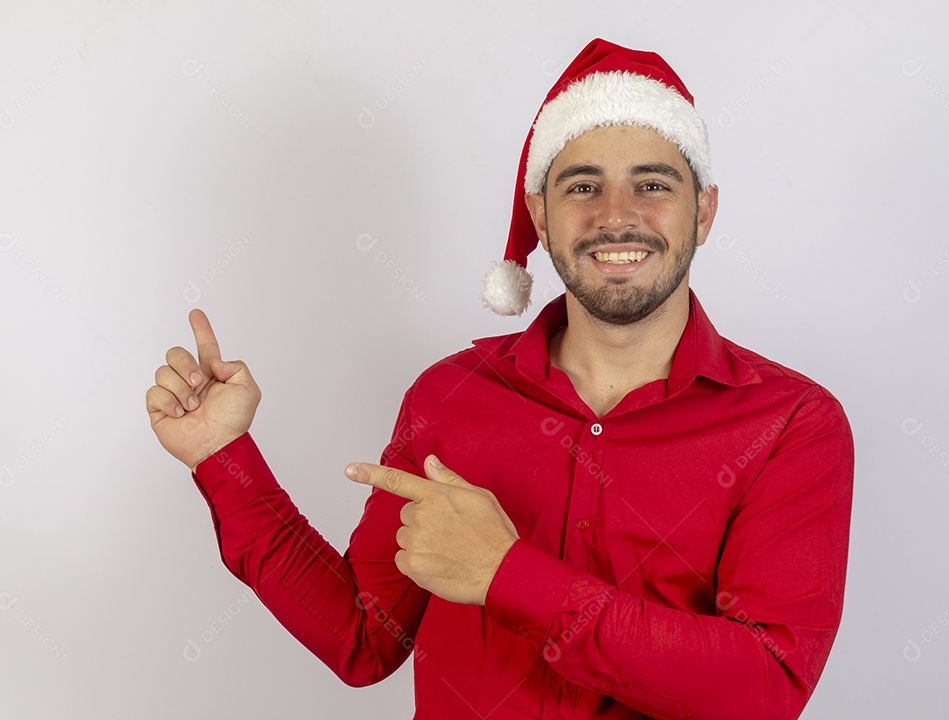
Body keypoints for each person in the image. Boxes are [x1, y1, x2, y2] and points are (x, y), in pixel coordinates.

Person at [146, 38, 854, 720]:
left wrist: (507, 575)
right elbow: (363, 638)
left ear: (704, 212)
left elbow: (765, 690)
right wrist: (221, 457)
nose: (616, 216)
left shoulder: (791, 424)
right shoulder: (449, 398)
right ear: (540, 217)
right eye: (583, 186)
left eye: (652, 185)